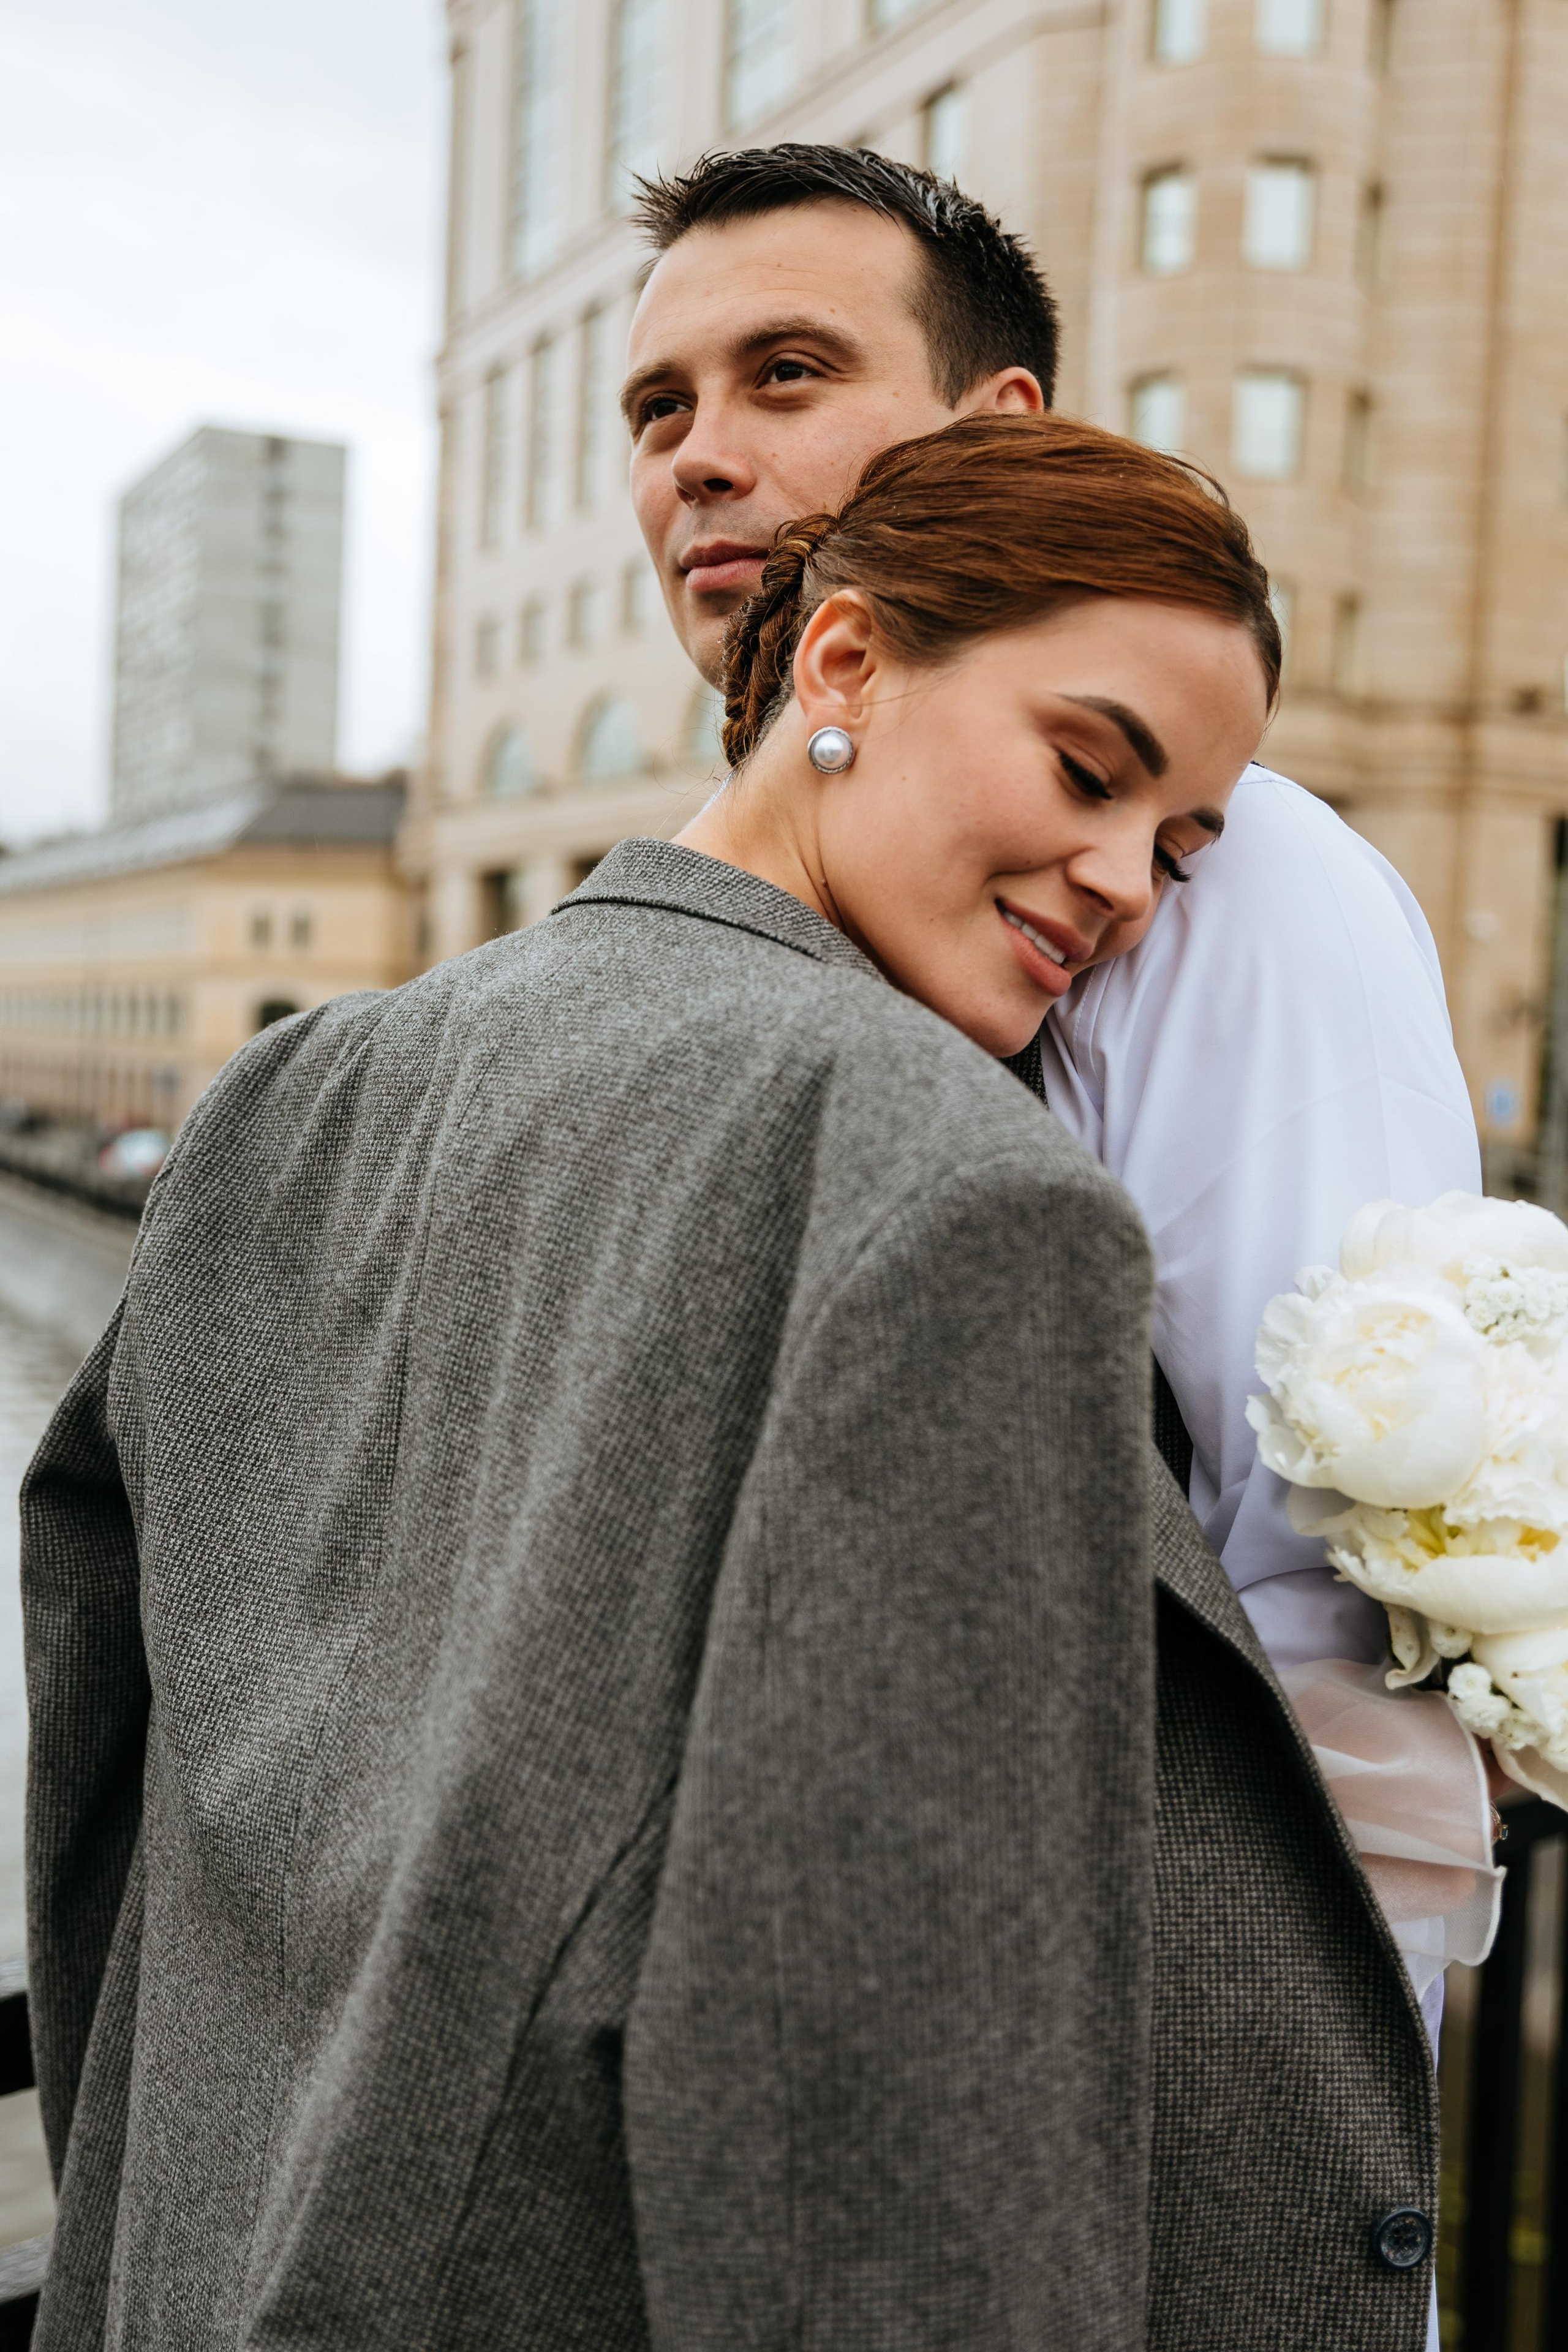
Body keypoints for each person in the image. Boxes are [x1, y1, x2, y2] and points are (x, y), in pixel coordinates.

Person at [21, 421, 1268, 2346]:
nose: (1122, 882)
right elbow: (889, 2116)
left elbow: (103, 1746)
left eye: (1182, 845)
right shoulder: (963, 1198)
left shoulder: (302, 1084)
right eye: (1090, 770)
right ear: (842, 663)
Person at [627, 147, 1466, 2348]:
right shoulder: (764, 910)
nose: (704, 451)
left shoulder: (1239, 900)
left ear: (1004, 436)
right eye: (657, 408)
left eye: (786, 374)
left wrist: (1290, 2246)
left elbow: (1342, 1577)